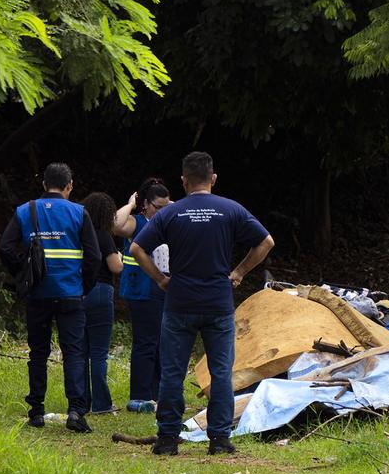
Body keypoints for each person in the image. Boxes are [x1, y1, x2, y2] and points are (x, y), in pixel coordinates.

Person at [130, 152, 274, 456]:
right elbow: (266, 242)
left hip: (179, 301)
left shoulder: (170, 213)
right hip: (218, 304)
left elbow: (136, 248)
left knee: (172, 372)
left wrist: (160, 279)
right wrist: (239, 272)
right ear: (214, 178)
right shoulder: (230, 210)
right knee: (221, 372)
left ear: (183, 182)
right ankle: (219, 438)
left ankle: (167, 438)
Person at [0, 162, 101, 432]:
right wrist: (84, 287)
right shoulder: (79, 212)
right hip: (70, 293)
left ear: (44, 185)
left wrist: (23, 273)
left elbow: (5, 248)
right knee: (74, 353)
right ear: (69, 186)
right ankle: (76, 412)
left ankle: (36, 411)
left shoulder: (25, 210)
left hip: (38, 294)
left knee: (39, 353)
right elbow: (94, 257)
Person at [113, 178, 171, 412]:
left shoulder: (168, 221)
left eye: (166, 208)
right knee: (145, 342)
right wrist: (131, 203)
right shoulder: (136, 222)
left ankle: (156, 394)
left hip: (165, 288)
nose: (162, 212)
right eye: (158, 207)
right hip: (142, 290)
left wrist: (166, 207)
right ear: (146, 204)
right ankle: (139, 395)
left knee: (161, 342)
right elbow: (116, 224)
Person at [80, 192, 122, 415]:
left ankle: (81, 402)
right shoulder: (104, 236)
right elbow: (115, 267)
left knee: (80, 352)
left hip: (78, 293)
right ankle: (102, 404)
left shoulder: (77, 233)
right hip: (100, 291)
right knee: (98, 353)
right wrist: (121, 257)